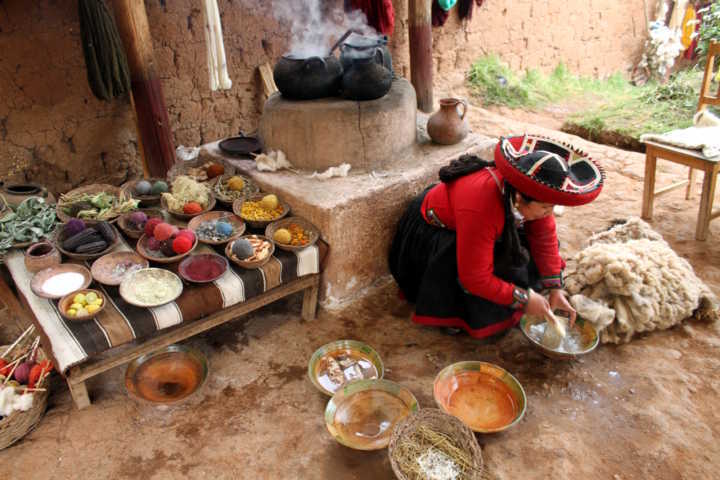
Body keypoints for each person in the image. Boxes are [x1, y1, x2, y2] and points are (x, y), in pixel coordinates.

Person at [389, 134, 604, 339]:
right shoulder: (481, 206)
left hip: (480, 223)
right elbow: (475, 278)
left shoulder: (528, 192)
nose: (550, 212)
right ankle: (453, 313)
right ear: (520, 198)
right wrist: (524, 299)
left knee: (528, 252)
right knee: (480, 269)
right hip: (437, 233)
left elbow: (544, 238)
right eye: (546, 206)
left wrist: (555, 289)